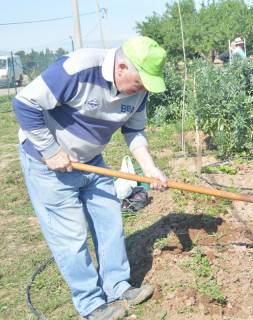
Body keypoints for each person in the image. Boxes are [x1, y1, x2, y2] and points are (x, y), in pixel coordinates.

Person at [12, 36, 168, 320]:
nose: (143, 89)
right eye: (140, 81)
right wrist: (51, 150)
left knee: (110, 223)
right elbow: (24, 104)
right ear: (121, 67)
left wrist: (149, 167)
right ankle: (91, 304)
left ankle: (117, 285)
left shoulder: (139, 91)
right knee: (70, 238)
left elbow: (133, 130)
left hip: (92, 161)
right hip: (49, 166)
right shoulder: (78, 69)